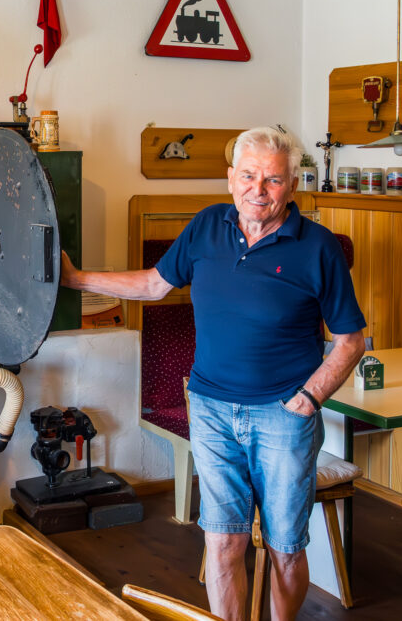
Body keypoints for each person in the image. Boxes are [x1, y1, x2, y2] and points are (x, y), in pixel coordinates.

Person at [60, 127, 366, 621]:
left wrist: (309, 399)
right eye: (248, 176)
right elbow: (154, 285)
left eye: (272, 180)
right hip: (211, 410)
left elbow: (351, 339)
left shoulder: (318, 247)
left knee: (285, 548)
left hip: (283, 416)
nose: (258, 190)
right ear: (230, 179)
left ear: (291, 186)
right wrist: (77, 280)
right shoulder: (206, 227)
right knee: (223, 543)